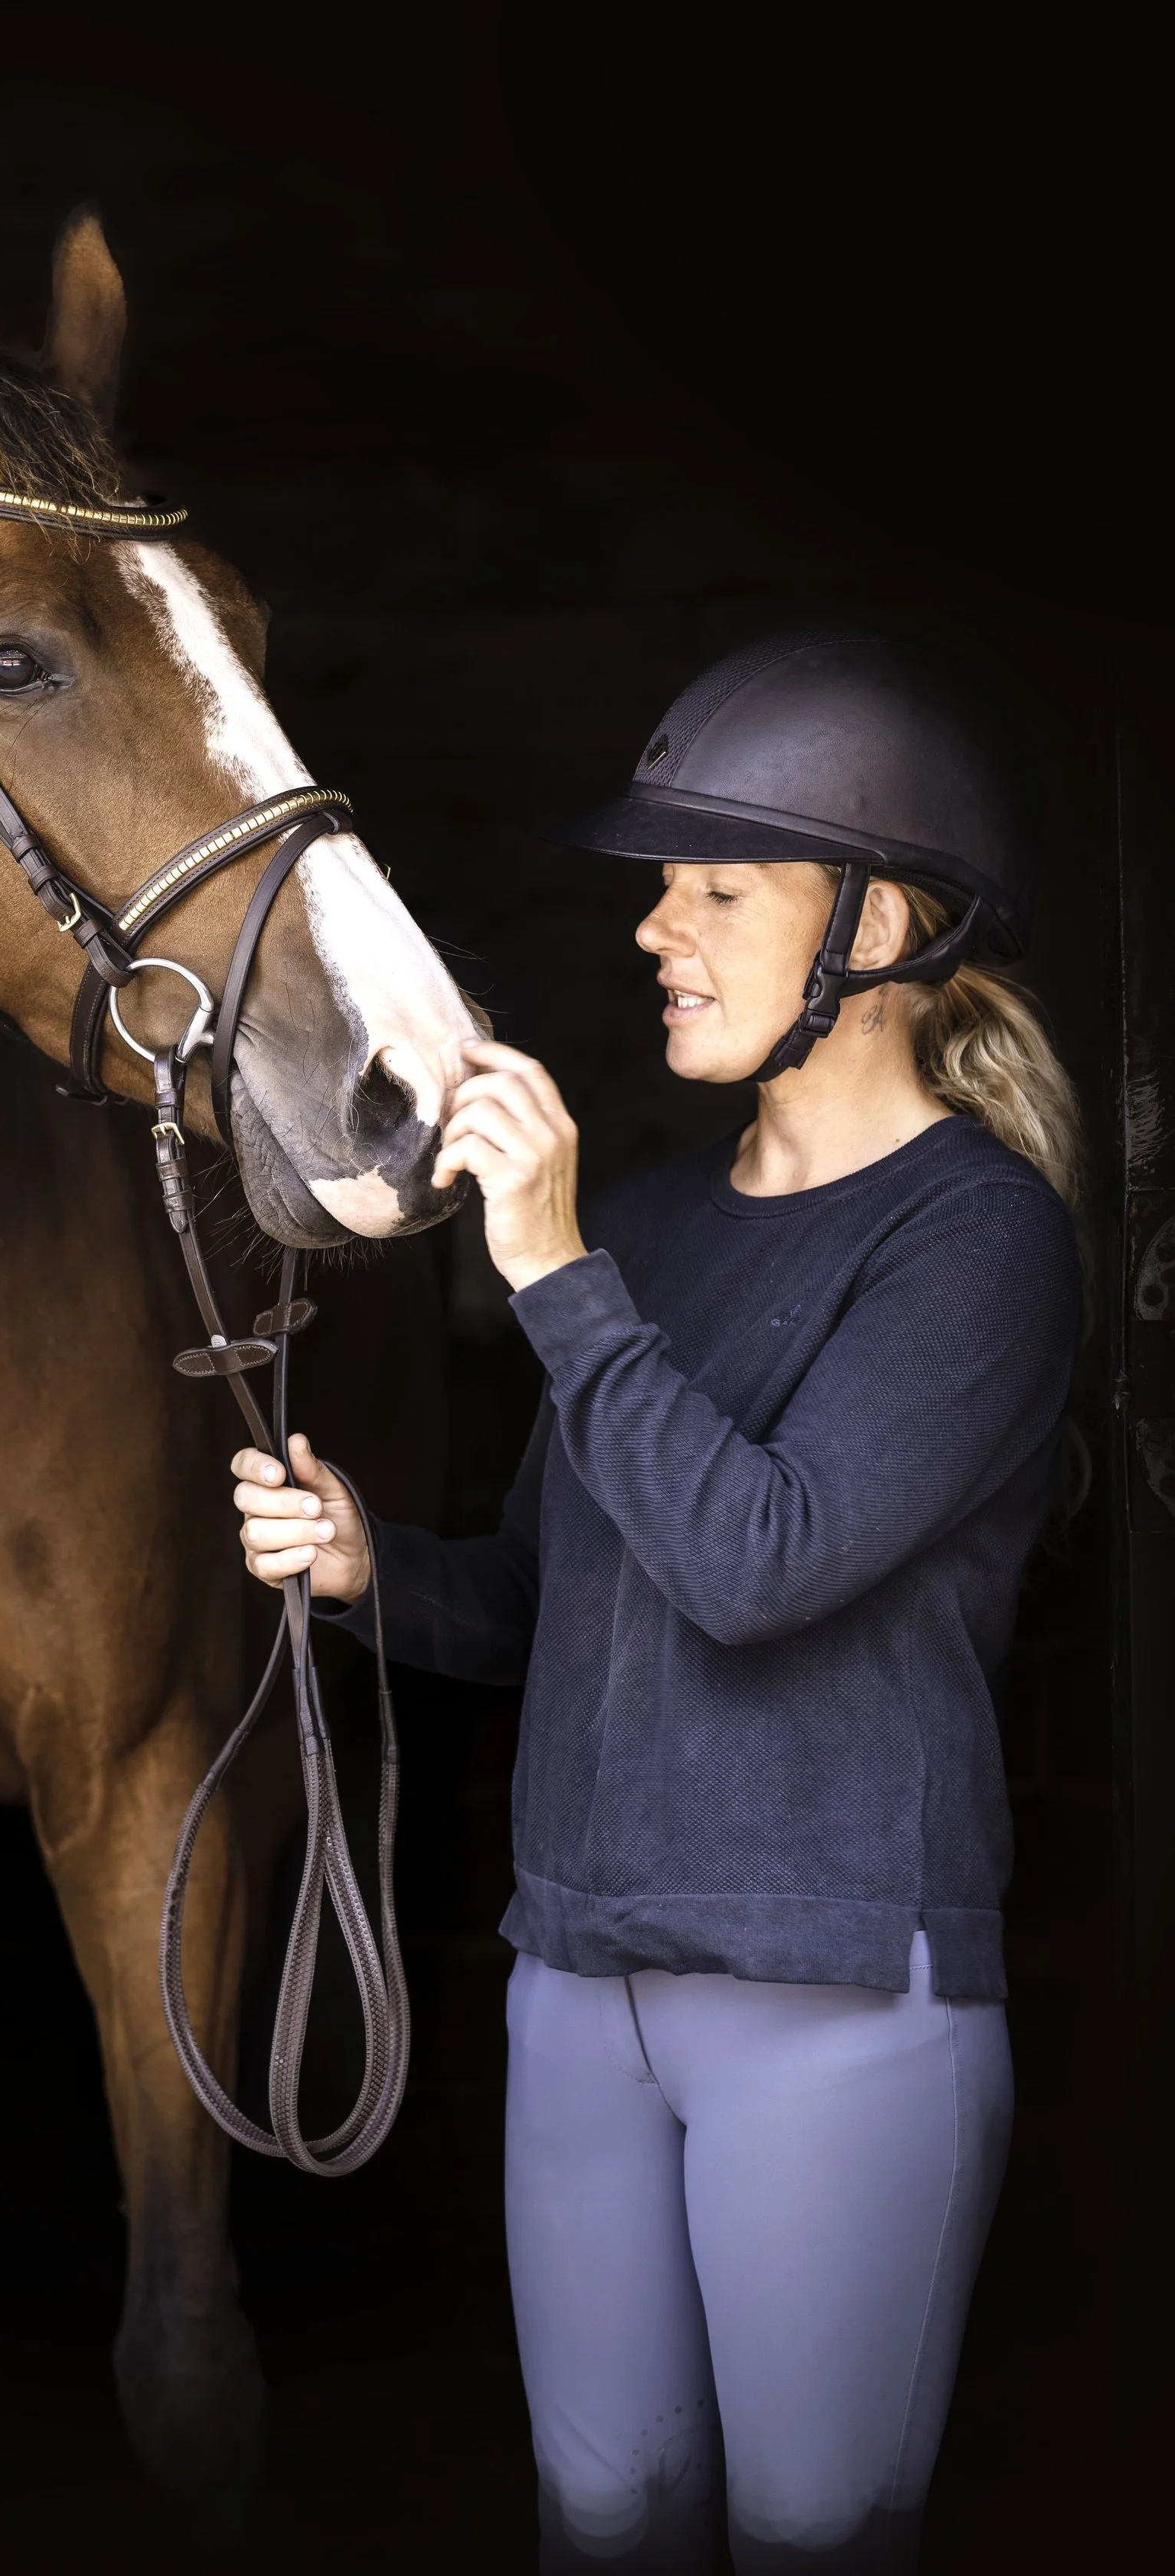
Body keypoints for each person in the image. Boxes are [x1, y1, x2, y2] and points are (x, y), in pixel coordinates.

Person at [231, 630, 1084, 2571]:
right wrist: (368, 1569)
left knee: (810, 2542)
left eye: (716, 888)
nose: (654, 933)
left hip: (833, 1997)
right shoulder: (658, 1234)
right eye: (658, 892)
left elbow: (754, 1564)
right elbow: (552, 1600)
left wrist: (545, 1270)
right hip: (576, 1984)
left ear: (875, 927)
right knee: (595, 2525)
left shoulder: (981, 1240)